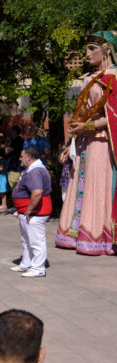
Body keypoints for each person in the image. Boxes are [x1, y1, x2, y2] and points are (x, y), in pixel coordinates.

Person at [55, 32, 117, 255]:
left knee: (94, 184)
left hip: (102, 142)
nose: (87, 53)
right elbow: (80, 114)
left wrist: (87, 128)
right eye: (87, 49)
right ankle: (75, 234)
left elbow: (113, 116)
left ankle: (98, 237)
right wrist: (70, 142)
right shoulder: (89, 77)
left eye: (92, 48)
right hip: (83, 143)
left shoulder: (113, 76)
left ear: (107, 50)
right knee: (80, 183)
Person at [11, 147, 52, 278]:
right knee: (27, 240)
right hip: (27, 211)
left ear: (28, 158)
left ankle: (38, 268)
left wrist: (30, 209)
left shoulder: (35, 171)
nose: (19, 158)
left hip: (35, 212)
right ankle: (26, 263)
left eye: (21, 156)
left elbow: (37, 192)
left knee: (36, 241)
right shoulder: (31, 169)